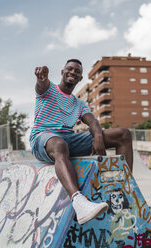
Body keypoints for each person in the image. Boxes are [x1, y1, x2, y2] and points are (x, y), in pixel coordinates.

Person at [30, 59, 133, 225]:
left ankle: (125, 192)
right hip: (43, 138)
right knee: (59, 144)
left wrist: (98, 138)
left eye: (76, 71)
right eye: (69, 69)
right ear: (62, 72)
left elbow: (92, 122)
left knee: (123, 134)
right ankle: (79, 202)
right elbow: (41, 86)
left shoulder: (79, 103)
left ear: (80, 78)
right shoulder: (48, 89)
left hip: (68, 139)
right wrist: (41, 80)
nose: (72, 72)